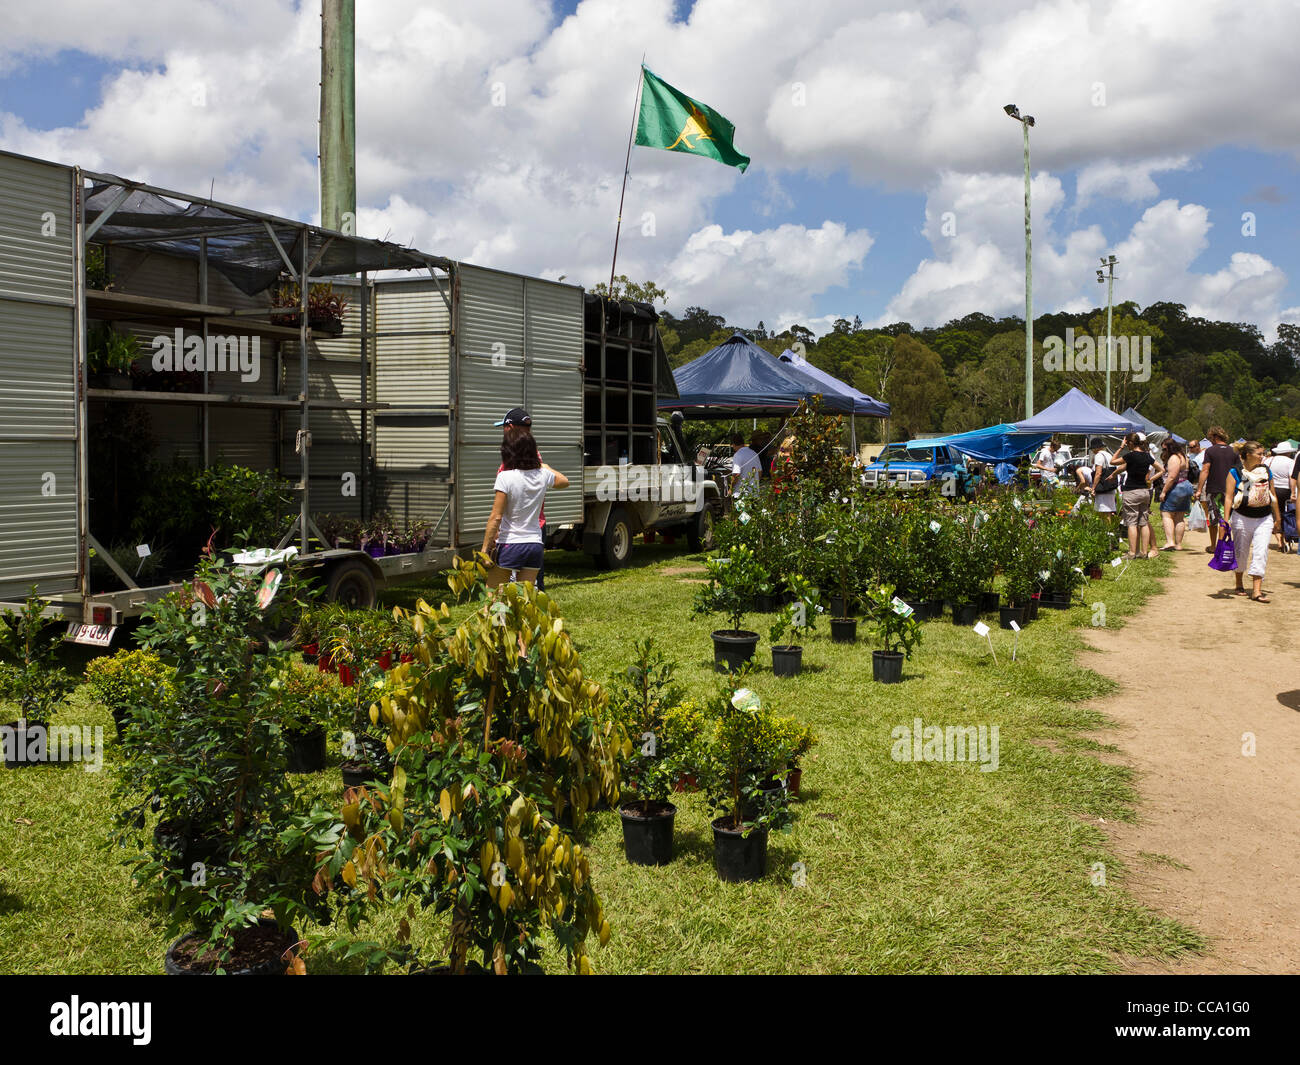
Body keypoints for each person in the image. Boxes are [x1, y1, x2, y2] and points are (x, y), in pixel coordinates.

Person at [482, 429, 568, 589]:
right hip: (534, 545)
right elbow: (564, 481)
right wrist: (544, 466)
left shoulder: (505, 477)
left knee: (494, 598)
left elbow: (496, 517)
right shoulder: (543, 475)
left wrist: (485, 550)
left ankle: (500, 616)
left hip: (510, 544)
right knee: (524, 599)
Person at [494, 407, 548, 590]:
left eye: (504, 427)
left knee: (501, 591)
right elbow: (562, 481)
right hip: (535, 532)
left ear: (510, 427)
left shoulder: (518, 457)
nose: (503, 431)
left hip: (514, 536)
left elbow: (505, 502)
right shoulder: (534, 456)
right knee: (531, 589)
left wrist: (494, 533)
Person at [1224, 440, 1281, 603]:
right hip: (1241, 517)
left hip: (1264, 517)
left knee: (1261, 552)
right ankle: (1239, 582)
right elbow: (1228, 497)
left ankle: (1257, 591)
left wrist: (1278, 518)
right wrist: (1226, 520)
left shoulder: (1266, 471)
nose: (1263, 457)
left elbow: (1273, 495)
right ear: (1248, 455)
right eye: (1260, 454)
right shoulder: (1234, 472)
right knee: (1241, 551)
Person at [1111, 431, 1163, 558]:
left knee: (1132, 523)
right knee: (1143, 522)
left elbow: (1113, 461)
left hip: (1131, 491)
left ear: (1129, 443)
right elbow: (1161, 469)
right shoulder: (1147, 456)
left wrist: (1120, 447)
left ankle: (1132, 552)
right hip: (1144, 492)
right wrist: (1150, 480)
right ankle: (1144, 552)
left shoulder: (1130, 456)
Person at [1195, 426, 1238, 552]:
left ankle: (1215, 546)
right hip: (1231, 490)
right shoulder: (1233, 451)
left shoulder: (1210, 451)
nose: (1210, 440)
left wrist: (1199, 489)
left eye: (1211, 438)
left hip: (1214, 489)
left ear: (1216, 436)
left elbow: (1205, 470)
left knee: (1214, 519)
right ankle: (1224, 545)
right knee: (1226, 517)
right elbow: (1238, 471)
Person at [1157, 438, 1194, 550]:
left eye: (1164, 448)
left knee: (1166, 514)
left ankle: (1170, 542)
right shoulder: (1183, 456)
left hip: (1177, 486)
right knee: (1180, 516)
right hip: (1186, 485)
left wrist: (1164, 491)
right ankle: (1178, 544)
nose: (1163, 451)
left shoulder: (1174, 458)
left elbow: (1172, 477)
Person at [1265, 442, 1294, 552]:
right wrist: (1293, 493)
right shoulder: (1291, 462)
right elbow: (1292, 478)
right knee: (1286, 514)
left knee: (1274, 515)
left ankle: (1279, 541)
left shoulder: (1268, 461)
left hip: (1271, 490)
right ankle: (1285, 539)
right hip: (1285, 490)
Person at [1089, 439, 1118, 522]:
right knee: (1108, 511)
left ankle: (1106, 531)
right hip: (1110, 486)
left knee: (1104, 511)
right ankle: (1108, 531)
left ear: (1095, 448)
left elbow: (1098, 473)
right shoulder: (1108, 455)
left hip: (1103, 487)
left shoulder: (1099, 455)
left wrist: (1093, 488)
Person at [730, 432, 762, 497]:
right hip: (754, 493)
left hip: (741, 494)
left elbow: (736, 474)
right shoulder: (754, 453)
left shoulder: (737, 455)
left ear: (733, 444)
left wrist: (730, 488)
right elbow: (760, 472)